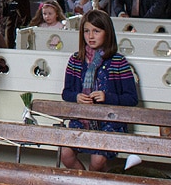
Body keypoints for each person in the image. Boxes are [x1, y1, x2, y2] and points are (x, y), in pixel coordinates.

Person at [59, 9, 139, 172]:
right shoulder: (75, 60)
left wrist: (106, 97)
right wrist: (77, 97)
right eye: (87, 31)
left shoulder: (118, 62)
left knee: (97, 161)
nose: (91, 36)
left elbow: (131, 99)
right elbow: (66, 92)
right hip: (82, 120)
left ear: (107, 33)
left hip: (109, 122)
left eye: (96, 31)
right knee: (65, 154)